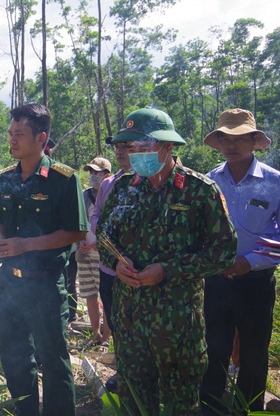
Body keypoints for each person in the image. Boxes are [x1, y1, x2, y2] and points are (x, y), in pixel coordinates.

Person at [97, 108, 237, 415]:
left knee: (182, 406)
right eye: (131, 149)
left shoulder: (201, 191)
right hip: (130, 322)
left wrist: (168, 270)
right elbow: (104, 235)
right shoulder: (123, 187)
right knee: (134, 401)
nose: (135, 155)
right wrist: (116, 264)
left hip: (177, 327)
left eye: (143, 148)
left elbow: (224, 251)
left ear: (167, 146)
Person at [0, 103, 87, 415]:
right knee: (15, 357)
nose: (12, 140)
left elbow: (75, 232)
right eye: (10, 134)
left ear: (41, 137)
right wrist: (0, 239)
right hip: (9, 284)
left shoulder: (63, 179)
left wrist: (25, 245)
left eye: (19, 134)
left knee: (54, 360)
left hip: (45, 285)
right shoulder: (6, 178)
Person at [200, 108, 280, 414]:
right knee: (213, 351)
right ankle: (211, 408)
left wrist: (248, 262)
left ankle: (250, 409)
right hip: (216, 283)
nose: (232, 144)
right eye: (225, 137)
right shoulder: (208, 182)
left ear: (254, 141)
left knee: (253, 355)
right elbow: (201, 230)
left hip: (256, 285)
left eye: (240, 138)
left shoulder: (274, 182)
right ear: (218, 142)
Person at [88, 136, 132, 391]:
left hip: (137, 270)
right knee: (115, 319)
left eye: (125, 147)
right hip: (109, 268)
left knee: (137, 323)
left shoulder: (153, 182)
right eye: (117, 147)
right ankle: (123, 369)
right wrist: (100, 232)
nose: (120, 152)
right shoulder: (109, 184)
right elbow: (97, 214)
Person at [45, 137, 79, 329]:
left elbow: (74, 229)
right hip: (21, 273)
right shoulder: (12, 178)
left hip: (54, 264)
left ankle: (71, 315)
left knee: (69, 283)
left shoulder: (63, 179)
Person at [78, 157, 112, 347]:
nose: (92, 177)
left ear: (106, 174)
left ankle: (108, 336)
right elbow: (77, 223)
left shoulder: (113, 193)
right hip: (85, 253)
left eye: (96, 173)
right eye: (90, 173)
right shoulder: (83, 195)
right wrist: (80, 242)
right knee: (89, 294)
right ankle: (95, 333)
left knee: (106, 296)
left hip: (104, 256)